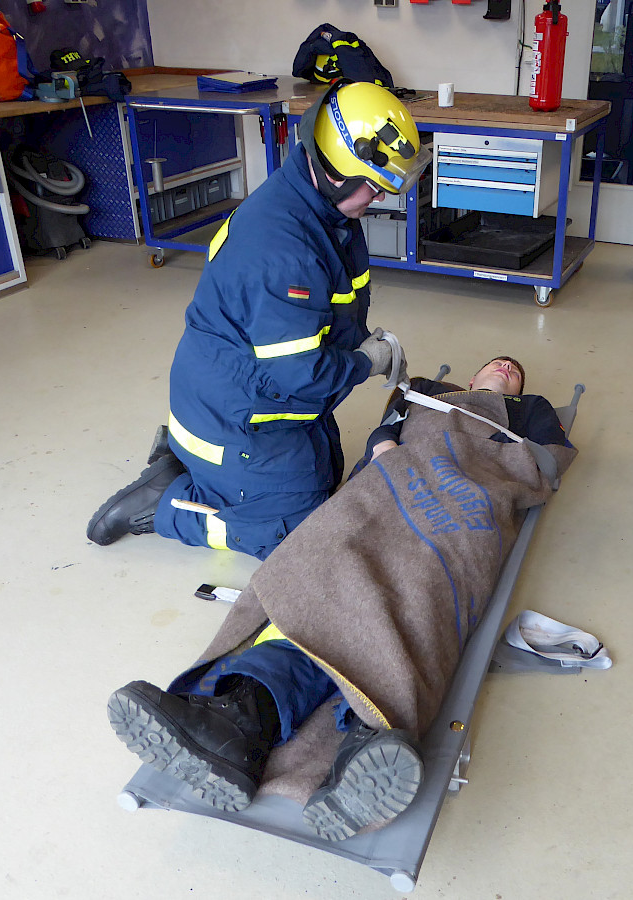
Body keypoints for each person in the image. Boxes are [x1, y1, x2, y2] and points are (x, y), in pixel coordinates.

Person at [107, 357, 575, 841]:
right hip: (388, 482)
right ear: (472, 380)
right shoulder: (429, 389)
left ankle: (361, 745)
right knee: (320, 570)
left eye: (515, 369)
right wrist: (388, 451)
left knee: (416, 588)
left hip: (461, 505)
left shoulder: (530, 409)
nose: (505, 368)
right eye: (495, 363)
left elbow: (545, 463)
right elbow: (384, 432)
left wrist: (475, 464)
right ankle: (240, 721)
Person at [86, 79, 431, 560]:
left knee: (327, 477)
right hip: (237, 416)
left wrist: (356, 344)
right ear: (337, 173)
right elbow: (301, 374)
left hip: (247, 391)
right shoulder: (284, 250)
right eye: (374, 187)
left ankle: (185, 463)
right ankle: (164, 505)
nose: (377, 198)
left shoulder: (317, 210)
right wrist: (365, 362)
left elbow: (318, 316)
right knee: (298, 538)